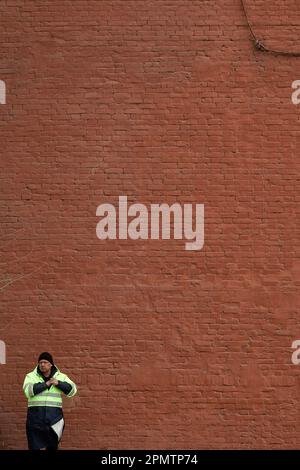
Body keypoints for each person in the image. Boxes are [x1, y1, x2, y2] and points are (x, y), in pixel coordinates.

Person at [23, 352, 77, 450]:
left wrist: (58, 383)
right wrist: (47, 384)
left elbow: (72, 390)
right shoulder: (30, 376)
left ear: (51, 364)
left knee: (52, 447)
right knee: (34, 447)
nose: (42, 364)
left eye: (45, 362)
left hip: (54, 420)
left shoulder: (61, 376)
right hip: (35, 420)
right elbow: (28, 391)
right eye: (40, 362)